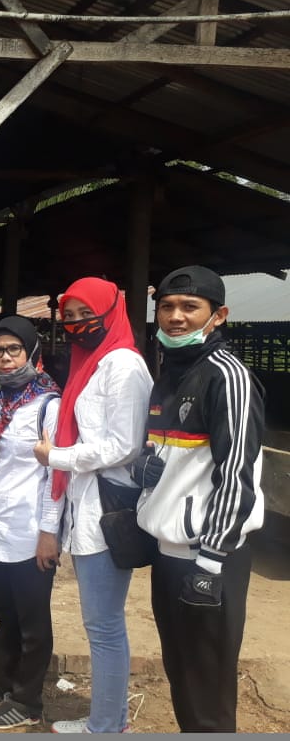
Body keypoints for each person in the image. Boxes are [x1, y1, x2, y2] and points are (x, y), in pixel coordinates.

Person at [134, 266, 265, 732]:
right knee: (182, 674)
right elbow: (171, 457)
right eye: (167, 307)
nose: (176, 317)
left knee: (208, 688)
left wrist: (210, 564)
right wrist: (144, 474)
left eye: (190, 307)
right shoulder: (169, 375)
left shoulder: (227, 377)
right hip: (170, 555)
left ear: (219, 315)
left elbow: (237, 473)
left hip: (208, 558)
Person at [33, 277, 152, 734]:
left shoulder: (123, 365)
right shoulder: (90, 363)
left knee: (103, 627)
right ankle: (109, 719)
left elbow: (124, 446)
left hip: (107, 511)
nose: (79, 324)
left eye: (88, 314)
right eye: (70, 316)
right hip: (87, 507)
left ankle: (105, 727)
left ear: (111, 312)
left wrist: (56, 457)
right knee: (100, 624)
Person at [0, 316, 62, 730]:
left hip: (31, 529)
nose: (5, 358)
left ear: (32, 353)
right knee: (4, 612)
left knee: (32, 620)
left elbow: (57, 477)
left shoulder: (49, 406)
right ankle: (2, 684)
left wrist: (49, 533)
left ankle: (27, 701)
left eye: (14, 350)